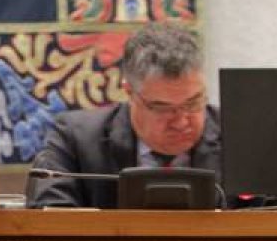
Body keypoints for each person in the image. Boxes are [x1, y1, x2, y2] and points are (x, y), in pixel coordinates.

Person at [27, 22, 220, 208]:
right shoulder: (74, 140)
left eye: (193, 102)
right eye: (162, 108)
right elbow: (49, 220)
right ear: (129, 92)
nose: (180, 122)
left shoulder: (239, 137)